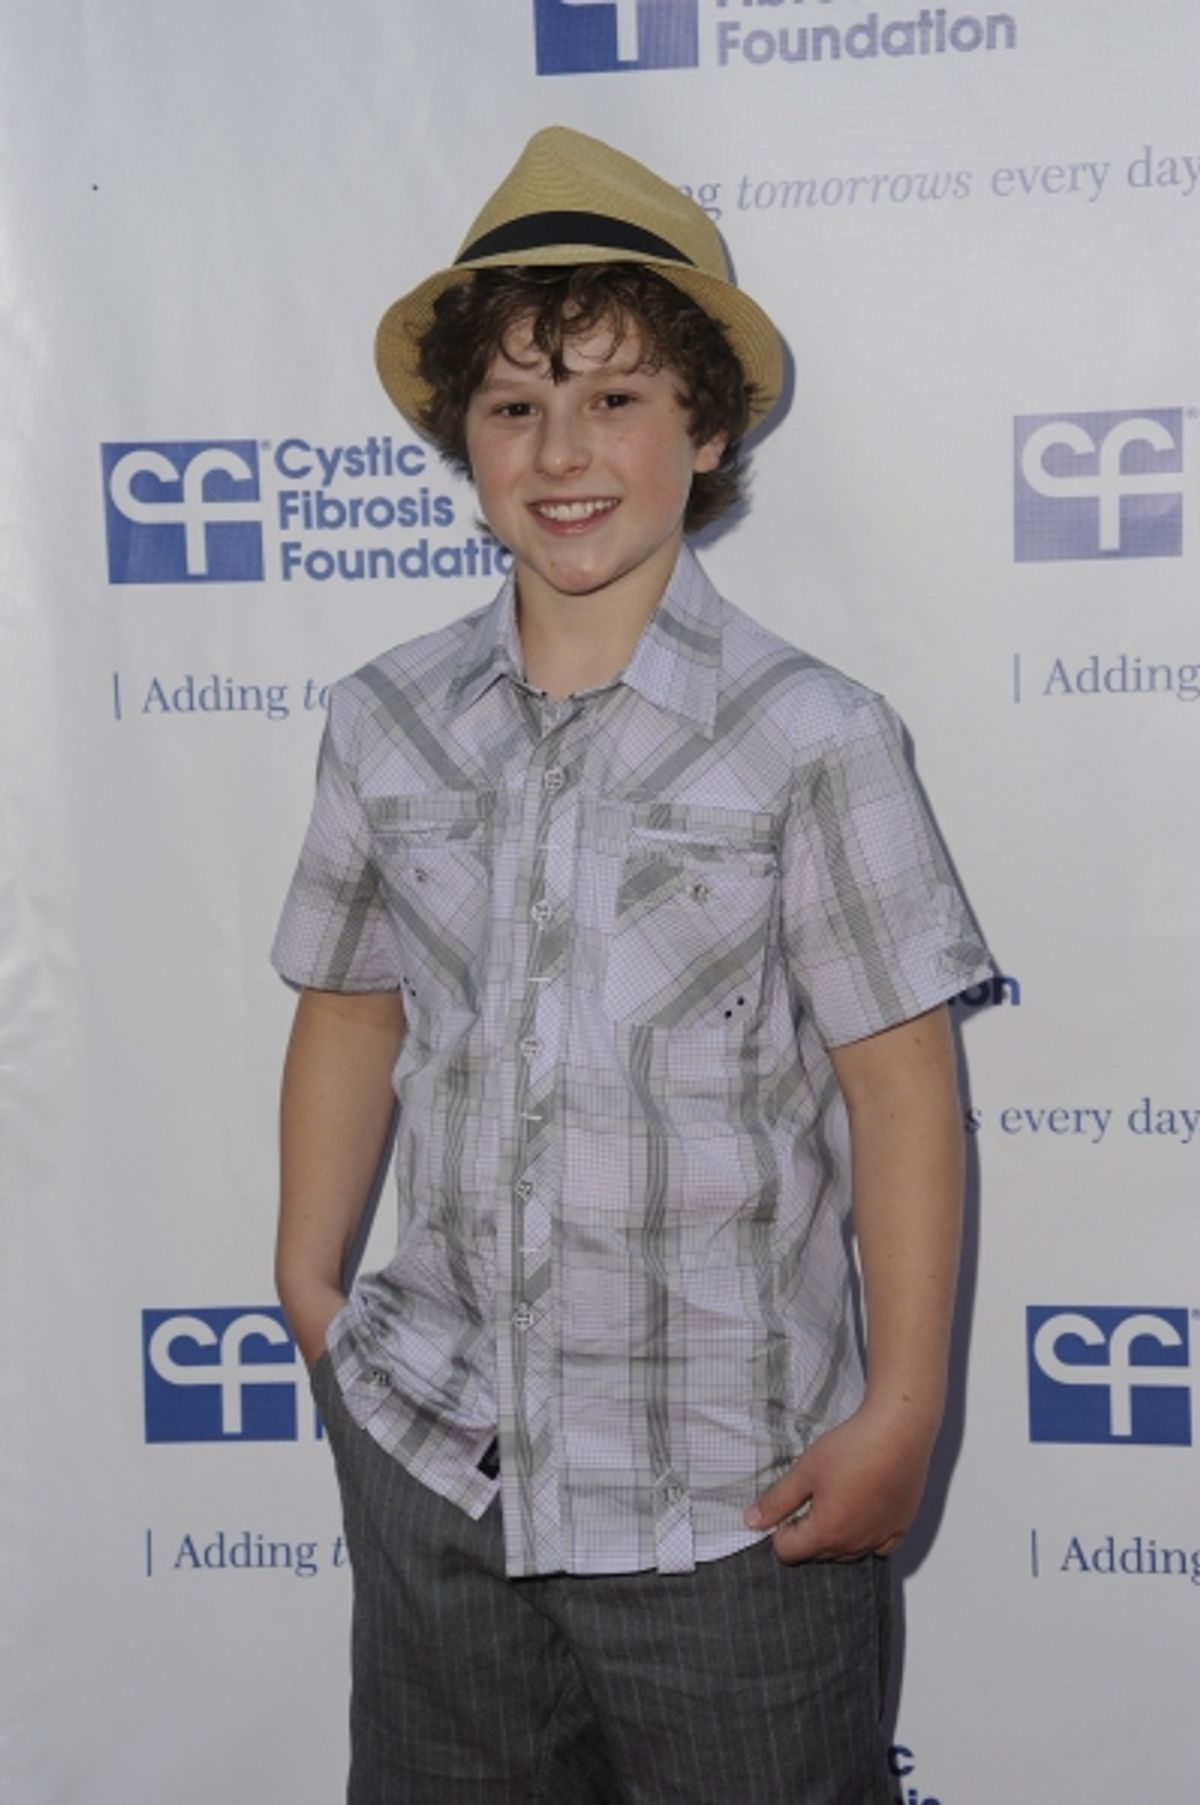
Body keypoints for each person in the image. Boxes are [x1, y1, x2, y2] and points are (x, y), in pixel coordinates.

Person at [272, 125, 990, 1805]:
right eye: (517, 403)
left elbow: (901, 1092)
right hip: (440, 1467)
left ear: (709, 425)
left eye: (616, 396)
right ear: (464, 435)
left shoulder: (814, 737)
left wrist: (905, 1404)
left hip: (734, 1502)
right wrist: (313, 1295)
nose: (563, 447)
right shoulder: (382, 719)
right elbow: (350, 998)